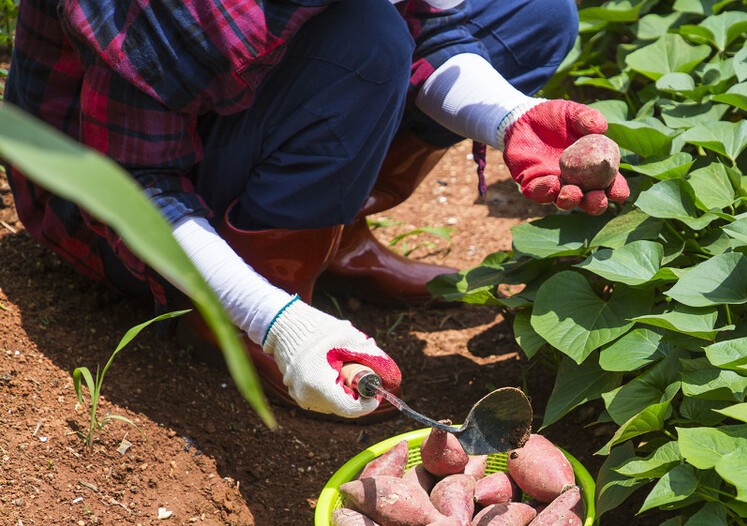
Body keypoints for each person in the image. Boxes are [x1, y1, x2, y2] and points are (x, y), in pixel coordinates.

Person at [4, 0, 629, 418]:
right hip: (102, 196)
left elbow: (431, 29)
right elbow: (128, 187)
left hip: (224, 96)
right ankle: (240, 307)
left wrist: (509, 118)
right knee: (364, 42)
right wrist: (275, 320)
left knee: (535, 14)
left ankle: (333, 237)